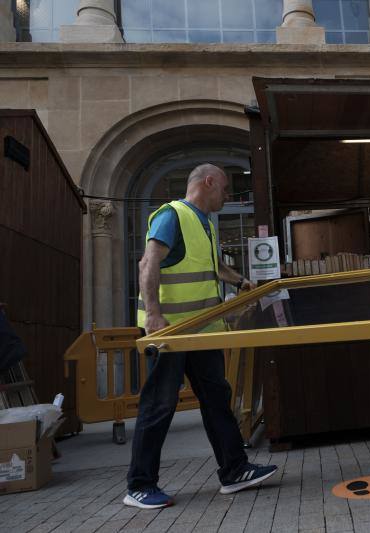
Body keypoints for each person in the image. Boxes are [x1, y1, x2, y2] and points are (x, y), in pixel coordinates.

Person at [125, 164, 278, 509]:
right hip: (171, 333)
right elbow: (147, 264)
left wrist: (239, 281)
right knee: (160, 404)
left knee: (216, 398)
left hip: (199, 333)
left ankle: (235, 470)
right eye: (224, 188)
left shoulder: (204, 223)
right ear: (208, 182)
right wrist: (152, 314)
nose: (227, 195)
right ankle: (139, 485)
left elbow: (212, 267)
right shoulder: (173, 216)